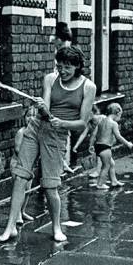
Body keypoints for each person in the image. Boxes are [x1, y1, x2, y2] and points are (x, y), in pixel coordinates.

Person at [0, 46, 96, 243]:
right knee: (20, 176)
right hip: (35, 129)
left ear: (77, 66)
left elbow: (83, 122)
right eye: (59, 66)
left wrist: (62, 123)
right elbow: (46, 111)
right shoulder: (50, 79)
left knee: (50, 186)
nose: (62, 71)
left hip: (57, 135)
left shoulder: (88, 87)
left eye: (67, 67)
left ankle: (57, 226)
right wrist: (43, 108)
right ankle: (10, 227)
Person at [51, 22, 78, 172]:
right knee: (62, 129)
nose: (52, 40)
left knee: (60, 129)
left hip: (64, 96)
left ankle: (61, 162)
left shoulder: (64, 54)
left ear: (59, 38)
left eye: (54, 37)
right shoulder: (69, 50)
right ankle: (62, 161)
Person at [91, 103, 133, 190]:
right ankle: (100, 184)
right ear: (117, 113)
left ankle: (114, 181)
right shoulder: (113, 124)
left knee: (111, 164)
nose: (120, 117)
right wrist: (127, 143)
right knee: (105, 166)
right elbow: (118, 136)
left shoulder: (101, 121)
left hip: (98, 146)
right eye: (120, 115)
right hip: (105, 147)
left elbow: (94, 134)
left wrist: (91, 145)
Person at [73, 104, 104, 180]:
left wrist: (91, 145)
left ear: (91, 113)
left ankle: (98, 171)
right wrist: (76, 146)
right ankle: (104, 171)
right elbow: (83, 134)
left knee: (100, 155)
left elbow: (94, 134)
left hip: (105, 139)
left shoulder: (102, 119)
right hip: (99, 140)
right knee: (101, 156)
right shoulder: (89, 123)